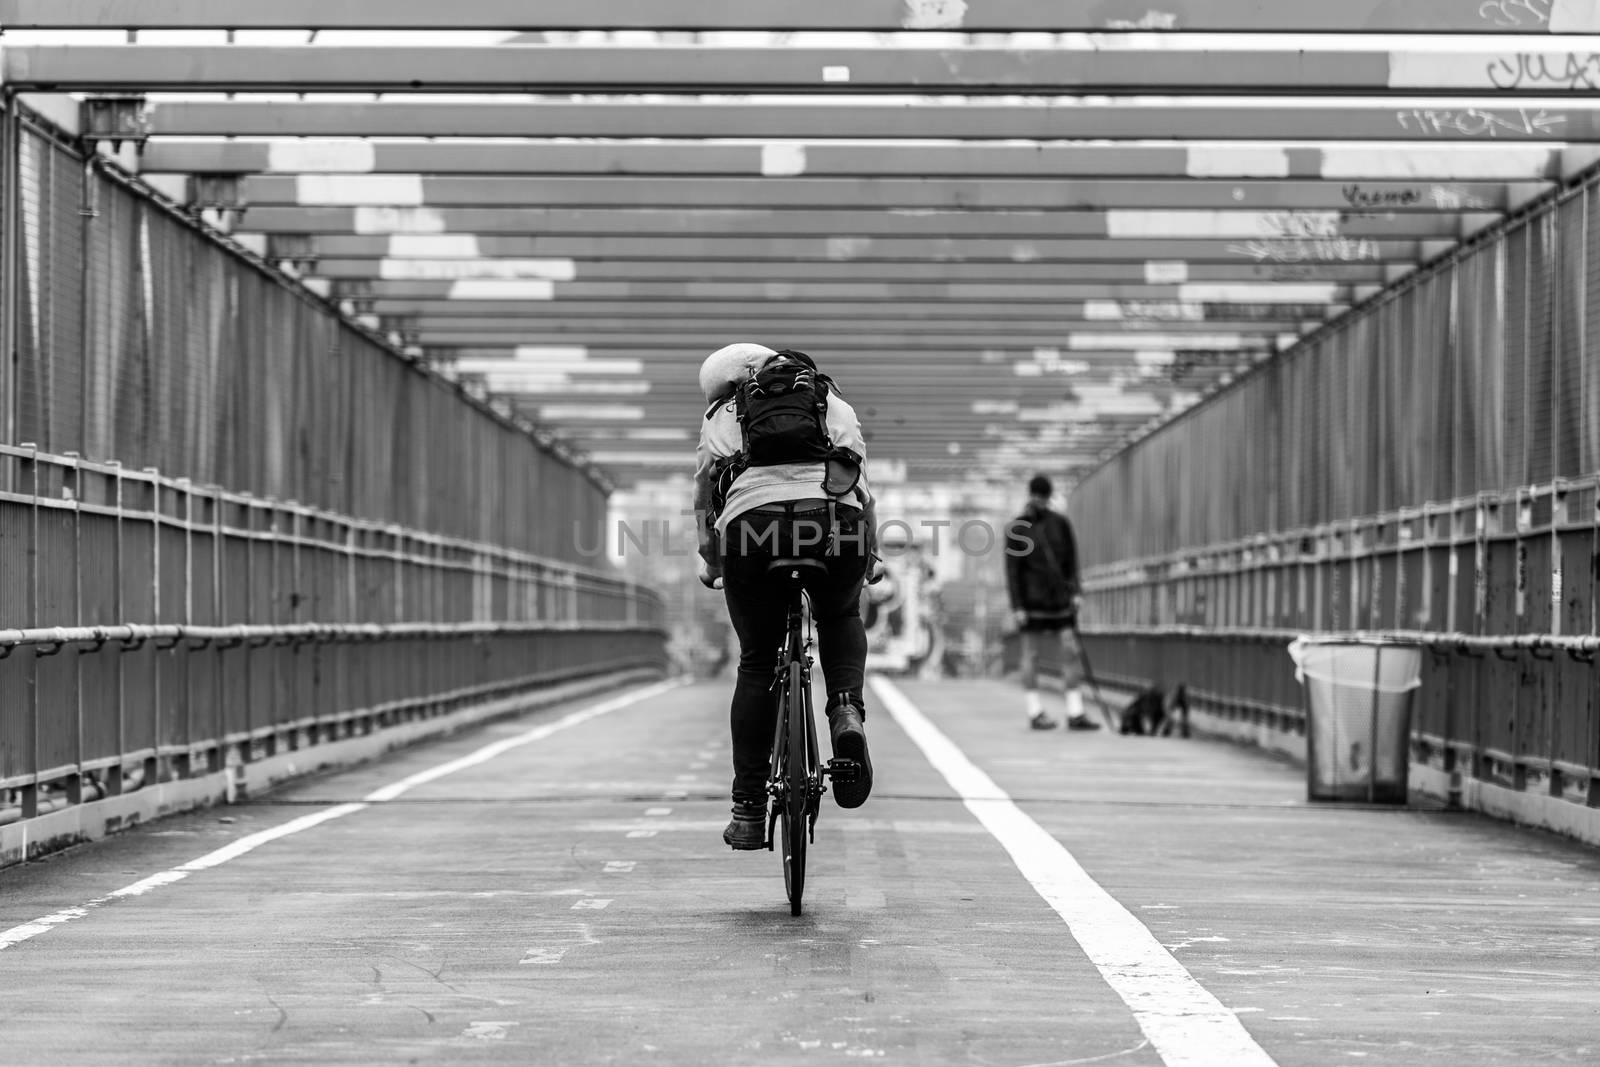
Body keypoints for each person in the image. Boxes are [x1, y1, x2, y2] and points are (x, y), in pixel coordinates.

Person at [692, 343, 881, 850]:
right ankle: (845, 709)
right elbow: (862, 484)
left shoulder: (721, 415)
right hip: (833, 525)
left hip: (753, 530)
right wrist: (873, 556)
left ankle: (749, 809)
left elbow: (706, 497)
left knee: (757, 661)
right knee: (840, 612)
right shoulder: (829, 402)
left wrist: (712, 561)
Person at [1005, 473, 1100, 732]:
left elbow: (1070, 560)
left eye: (1041, 497)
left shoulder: (1059, 523)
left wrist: (1076, 592)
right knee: (1033, 656)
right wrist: (1018, 606)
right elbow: (1013, 570)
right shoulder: (1019, 527)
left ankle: (1074, 711)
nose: (1039, 501)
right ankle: (1037, 712)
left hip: (1056, 600)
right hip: (1036, 602)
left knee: (1068, 652)